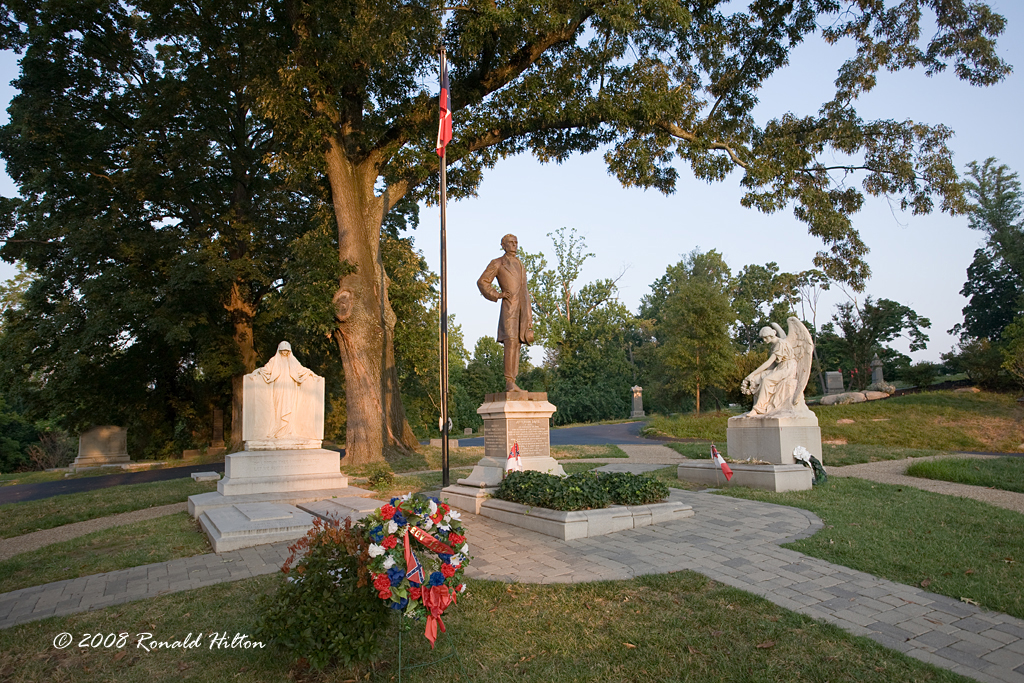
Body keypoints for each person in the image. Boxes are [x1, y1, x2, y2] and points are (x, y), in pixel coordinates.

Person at [477, 234, 534, 392]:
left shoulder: (520, 264)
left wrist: (529, 316)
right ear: (503, 245)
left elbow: (525, 291)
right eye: (511, 243)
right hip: (509, 309)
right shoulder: (498, 263)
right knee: (510, 342)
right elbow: (482, 282)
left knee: (517, 344)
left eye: (516, 242)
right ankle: (509, 381)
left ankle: (513, 381)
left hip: (522, 309)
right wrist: (497, 295)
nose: (514, 245)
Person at [254, 341, 315, 437]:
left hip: (290, 387)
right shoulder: (274, 360)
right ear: (279, 350)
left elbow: (300, 369)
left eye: (287, 351)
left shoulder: (293, 361)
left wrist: (310, 372)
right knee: (278, 406)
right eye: (283, 351)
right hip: (278, 387)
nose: (285, 353)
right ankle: (278, 428)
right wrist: (258, 371)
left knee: (290, 406)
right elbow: (267, 369)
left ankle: (288, 430)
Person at [742, 325, 799, 416]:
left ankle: (758, 408)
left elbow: (768, 362)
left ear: (770, 335)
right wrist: (757, 375)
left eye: (765, 338)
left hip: (787, 368)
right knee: (759, 377)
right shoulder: (774, 346)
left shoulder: (780, 344)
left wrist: (752, 373)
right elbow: (771, 366)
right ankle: (760, 404)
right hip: (780, 367)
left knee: (767, 380)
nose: (764, 340)